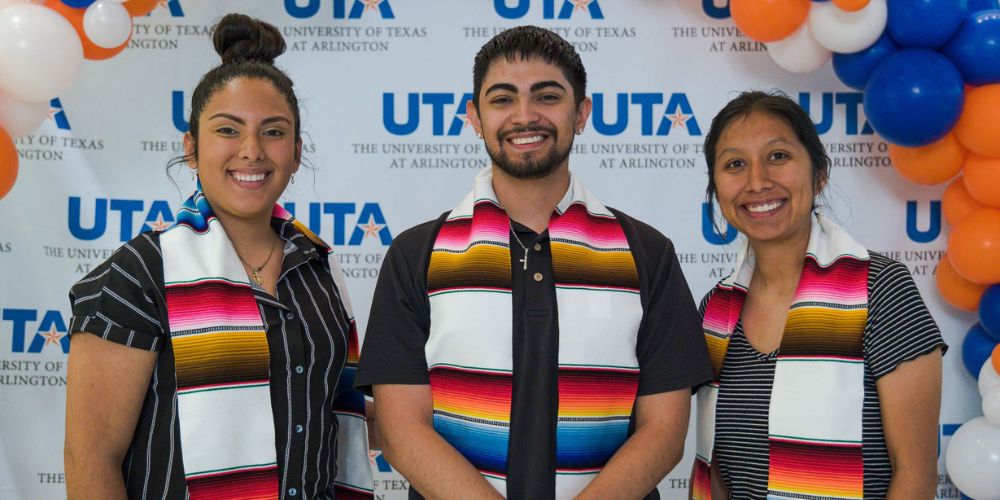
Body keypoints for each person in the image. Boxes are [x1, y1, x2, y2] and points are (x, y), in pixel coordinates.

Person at [354, 25, 712, 499]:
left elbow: (664, 432)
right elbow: (401, 431)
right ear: (475, 118)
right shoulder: (415, 254)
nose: (525, 116)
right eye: (502, 99)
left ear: (582, 113)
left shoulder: (647, 252)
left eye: (546, 96)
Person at [64, 14, 372, 500]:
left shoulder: (319, 269)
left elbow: (336, 418)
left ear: (296, 152)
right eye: (228, 130)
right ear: (192, 148)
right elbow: (91, 460)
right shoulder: (140, 273)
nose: (251, 151)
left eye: (273, 132)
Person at [690, 91, 946, 500]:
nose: (757, 181)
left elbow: (914, 478)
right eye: (735, 164)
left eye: (778, 156)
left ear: (819, 172)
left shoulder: (880, 289)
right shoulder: (714, 312)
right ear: (716, 189)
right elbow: (716, 472)